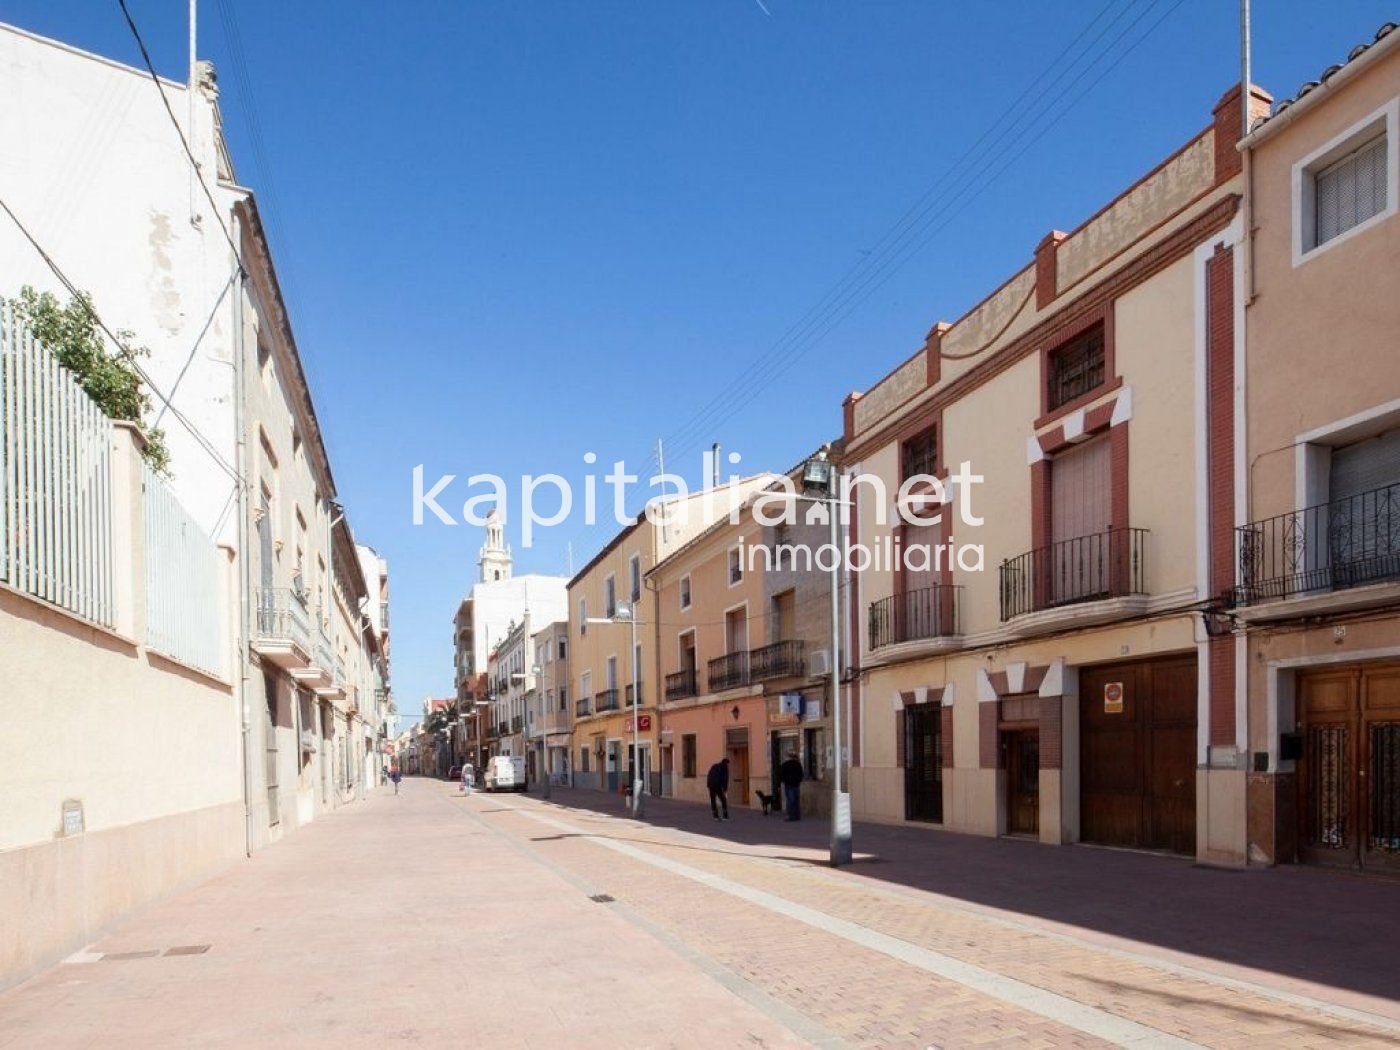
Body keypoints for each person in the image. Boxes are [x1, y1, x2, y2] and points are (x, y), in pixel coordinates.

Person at [778, 750, 804, 822]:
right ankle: (797, 815)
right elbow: (801, 774)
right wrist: (798, 781)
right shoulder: (797, 764)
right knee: (796, 801)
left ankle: (790, 816)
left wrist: (783, 781)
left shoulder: (785, 765)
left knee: (790, 801)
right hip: (796, 784)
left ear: (788, 756)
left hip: (789, 785)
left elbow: (781, 775)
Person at [706, 757, 730, 821]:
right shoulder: (725, 768)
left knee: (713, 800)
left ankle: (715, 816)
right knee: (723, 800)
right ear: (726, 763)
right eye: (728, 764)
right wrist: (725, 789)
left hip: (711, 786)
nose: (728, 766)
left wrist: (708, 785)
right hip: (718, 786)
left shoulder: (714, 766)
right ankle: (725, 815)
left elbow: (709, 775)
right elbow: (725, 779)